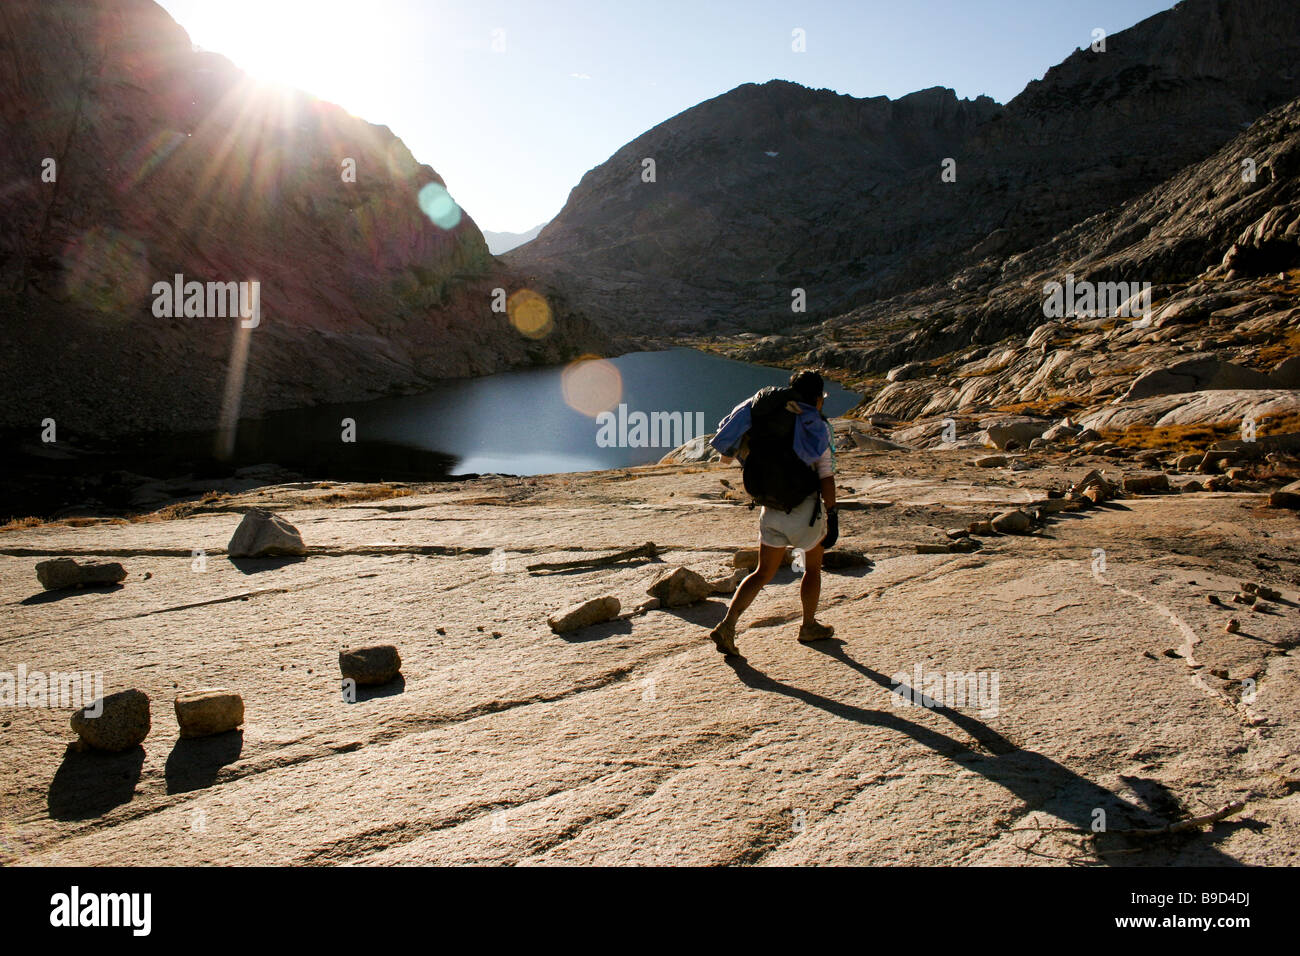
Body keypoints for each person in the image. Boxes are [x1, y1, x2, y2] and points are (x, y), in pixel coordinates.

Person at [706, 369, 838, 657]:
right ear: (817, 398)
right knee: (812, 568)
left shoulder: (764, 415)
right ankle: (808, 625)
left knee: (762, 571)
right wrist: (834, 513)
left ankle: (728, 625)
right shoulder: (815, 424)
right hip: (805, 510)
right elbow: (825, 475)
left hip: (771, 506)